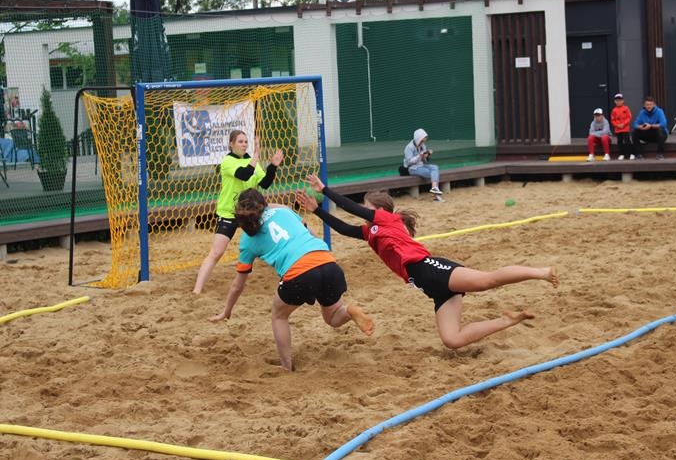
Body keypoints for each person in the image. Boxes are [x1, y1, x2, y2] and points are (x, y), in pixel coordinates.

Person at [296, 174, 559, 349]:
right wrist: (317, 210)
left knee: (486, 281)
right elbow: (344, 228)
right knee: (452, 340)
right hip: (429, 286)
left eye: (368, 208)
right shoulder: (371, 231)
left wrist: (325, 190)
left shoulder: (388, 219)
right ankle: (508, 320)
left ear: (381, 211)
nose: (365, 212)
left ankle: (541, 272)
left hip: (430, 269)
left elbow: (352, 209)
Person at [209, 189, 374, 371]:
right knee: (333, 318)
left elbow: (238, 285)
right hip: (327, 262)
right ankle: (350, 310)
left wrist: (227, 311)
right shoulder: (284, 212)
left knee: (279, 315)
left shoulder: (247, 240)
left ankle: (286, 366)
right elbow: (312, 234)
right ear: (264, 204)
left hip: (300, 273)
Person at [193, 130, 284, 294]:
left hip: (250, 213)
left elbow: (264, 183)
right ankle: (197, 290)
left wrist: (273, 166)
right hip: (230, 213)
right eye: (240, 141)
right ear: (231, 144)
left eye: (246, 141)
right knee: (216, 252)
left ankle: (287, 273)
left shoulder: (251, 160)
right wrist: (256, 155)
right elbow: (244, 174)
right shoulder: (228, 161)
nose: (244, 144)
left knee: (273, 241)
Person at [403, 128, 444, 202]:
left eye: (424, 140)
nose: (423, 142)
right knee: (433, 174)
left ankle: (434, 188)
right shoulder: (408, 147)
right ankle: (436, 196)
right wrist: (420, 156)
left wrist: (426, 156)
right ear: (418, 138)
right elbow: (409, 162)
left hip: (421, 165)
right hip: (412, 168)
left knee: (435, 167)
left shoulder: (422, 145)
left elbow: (424, 161)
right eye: (422, 140)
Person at [610, 93, 634, 160]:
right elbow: (612, 120)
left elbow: (629, 117)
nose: (618, 102)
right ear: (615, 101)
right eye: (617, 100)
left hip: (625, 128)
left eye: (620, 100)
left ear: (623, 101)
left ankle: (631, 154)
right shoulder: (614, 110)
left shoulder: (626, 108)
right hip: (618, 129)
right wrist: (617, 125)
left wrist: (624, 124)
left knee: (627, 141)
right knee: (619, 142)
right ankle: (621, 154)